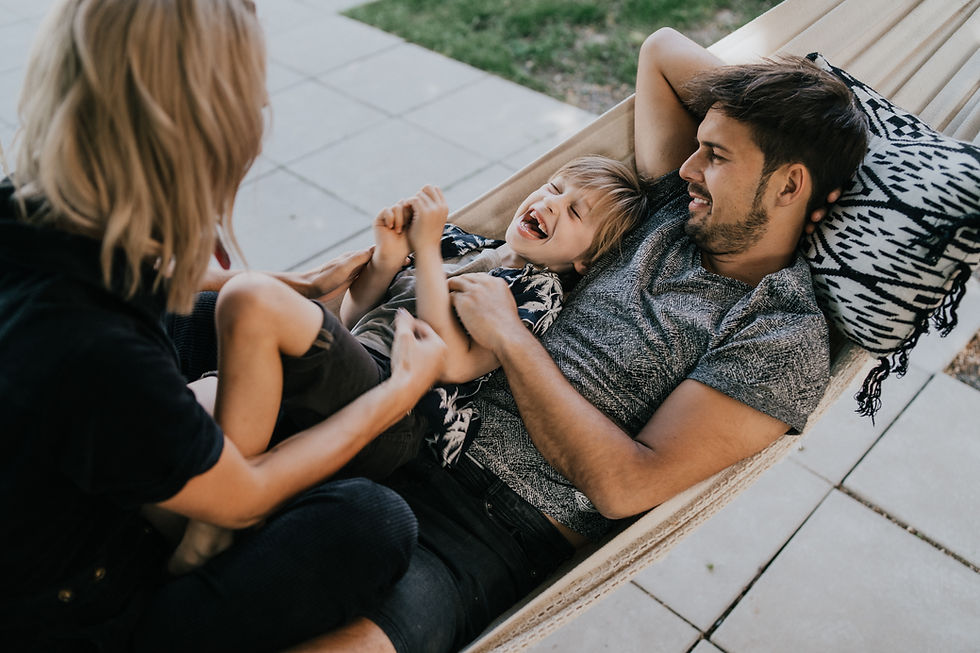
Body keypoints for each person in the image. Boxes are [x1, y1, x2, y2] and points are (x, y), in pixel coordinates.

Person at [291, 27, 869, 653]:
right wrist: (778, 103)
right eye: (699, 146)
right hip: (409, 426)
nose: (686, 167)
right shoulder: (677, 207)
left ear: (790, 186)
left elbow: (627, 485)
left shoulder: (781, 334)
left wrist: (513, 341)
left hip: (491, 528)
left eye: (717, 156)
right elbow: (661, 49)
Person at [0, 2, 447, 652]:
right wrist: (398, 392)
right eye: (249, 94)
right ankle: (180, 548)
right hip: (74, 611)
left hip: (43, 487)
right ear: (193, 133)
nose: (262, 102)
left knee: (214, 311)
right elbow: (248, 496)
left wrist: (284, 285)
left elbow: (119, 265)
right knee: (372, 521)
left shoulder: (21, 207)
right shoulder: (91, 348)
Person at [168, 155, 653, 572]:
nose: (550, 203)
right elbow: (359, 314)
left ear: (586, 261)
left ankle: (216, 525)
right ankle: (206, 513)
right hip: (356, 366)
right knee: (197, 410)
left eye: (573, 212)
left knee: (255, 300)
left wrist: (422, 251)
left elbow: (455, 364)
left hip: (402, 409)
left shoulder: (537, 294)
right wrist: (388, 255)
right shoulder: (462, 243)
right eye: (553, 188)